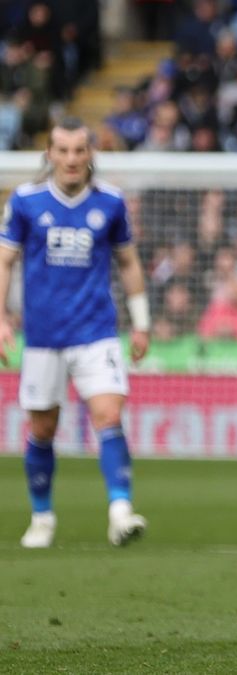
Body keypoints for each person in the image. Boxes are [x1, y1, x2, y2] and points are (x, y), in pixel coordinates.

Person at [0, 117, 151, 548]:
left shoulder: (111, 202)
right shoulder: (26, 201)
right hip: (44, 335)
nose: (71, 159)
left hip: (96, 331)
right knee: (43, 428)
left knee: (109, 415)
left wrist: (141, 323)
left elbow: (128, 263)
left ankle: (120, 511)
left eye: (79, 150)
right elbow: (4, 261)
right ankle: (42, 517)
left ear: (91, 155)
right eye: (62, 150)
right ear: (48, 154)